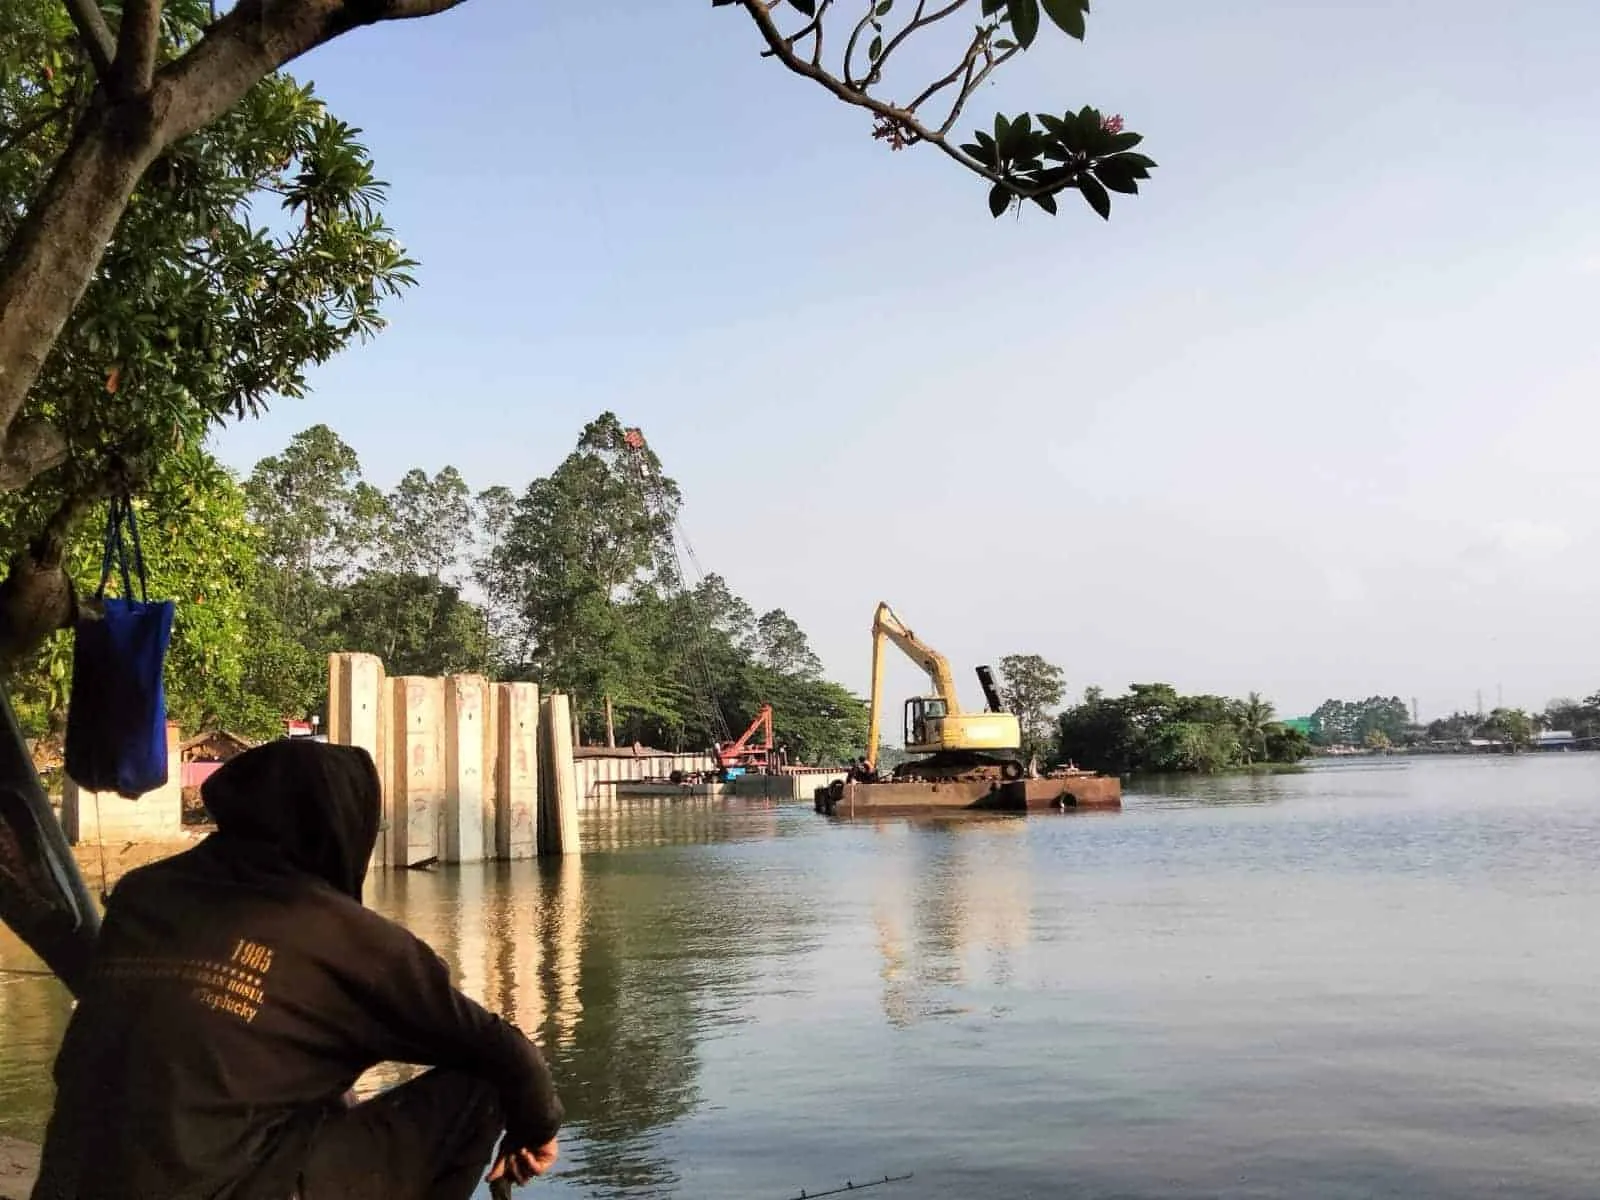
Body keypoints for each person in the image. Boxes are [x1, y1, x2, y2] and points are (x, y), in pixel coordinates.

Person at [30, 739, 563, 1200]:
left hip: (68, 1185)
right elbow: (511, 1055)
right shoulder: (349, 940)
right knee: (484, 1076)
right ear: (340, 827)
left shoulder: (142, 894)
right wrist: (535, 1126)